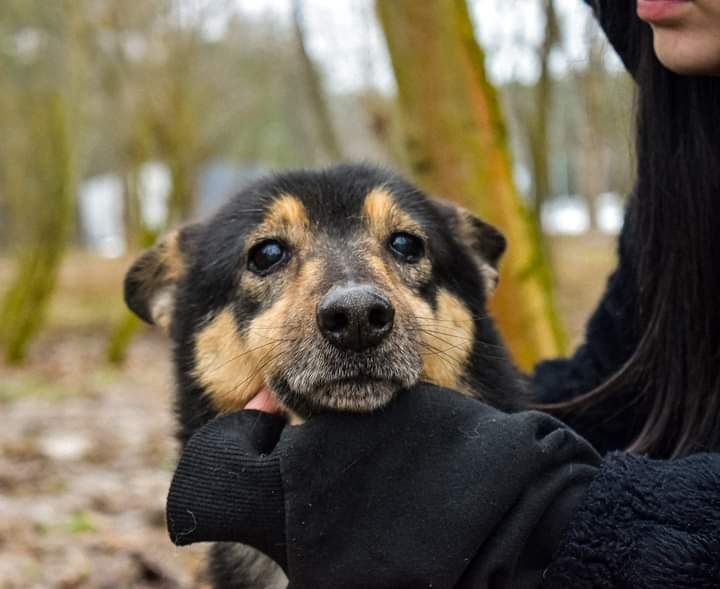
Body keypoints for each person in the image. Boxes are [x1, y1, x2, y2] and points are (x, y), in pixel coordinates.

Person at [164, 1, 720, 587]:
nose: (354, 300)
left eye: (404, 249)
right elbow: (625, 386)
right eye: (270, 255)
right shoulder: (685, 182)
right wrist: (486, 450)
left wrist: (534, 516)